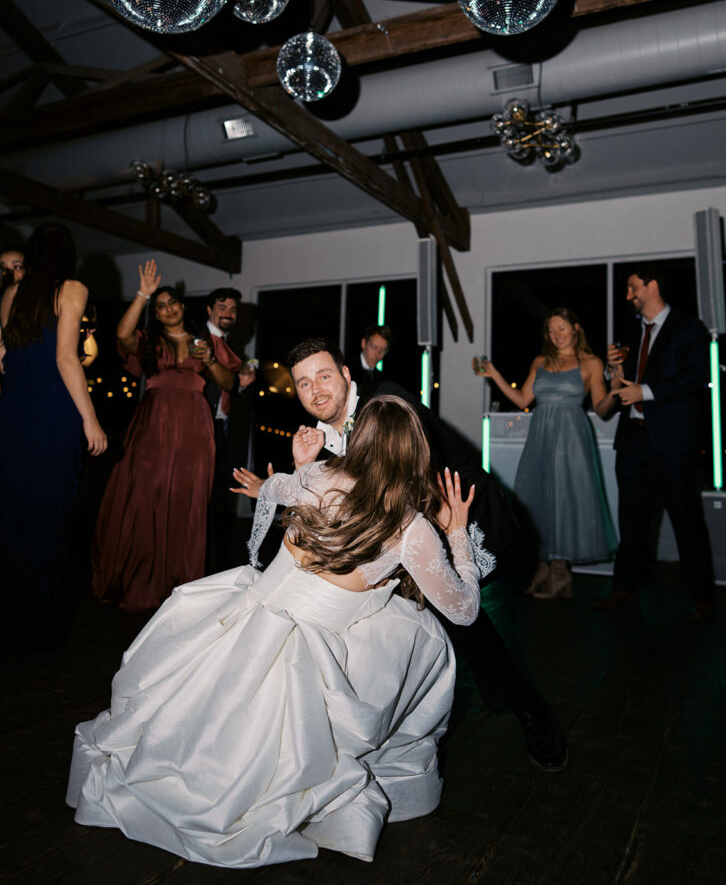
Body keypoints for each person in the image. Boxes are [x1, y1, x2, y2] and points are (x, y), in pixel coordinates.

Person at [68, 396, 480, 868]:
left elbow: (272, 491)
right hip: (303, 660)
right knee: (424, 634)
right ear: (417, 452)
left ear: (357, 439)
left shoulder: (316, 477)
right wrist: (457, 533)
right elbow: (464, 611)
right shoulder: (411, 529)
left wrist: (299, 465)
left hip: (243, 623)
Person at [237, 338, 568, 773]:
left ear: (346, 375)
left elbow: (411, 475)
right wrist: (287, 482)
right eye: (303, 383)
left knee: (465, 628)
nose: (316, 390)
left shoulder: (387, 402)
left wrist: (444, 535)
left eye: (324, 376)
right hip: (386, 539)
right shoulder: (322, 436)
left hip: (445, 516)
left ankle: (533, 714)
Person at [91, 260, 240, 611]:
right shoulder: (149, 342)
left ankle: (178, 581)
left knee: (185, 499)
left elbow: (229, 382)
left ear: (182, 307)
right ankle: (138, 578)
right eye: (160, 306)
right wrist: (142, 294)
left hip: (194, 426)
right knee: (145, 494)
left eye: (172, 302)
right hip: (154, 423)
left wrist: (211, 360)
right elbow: (122, 335)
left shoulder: (206, 342)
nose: (168, 308)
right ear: (155, 314)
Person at [0, 224, 106, 654]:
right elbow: (65, 358)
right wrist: (91, 420)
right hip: (51, 414)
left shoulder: (10, 294)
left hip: (12, 413)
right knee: (48, 516)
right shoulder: (71, 289)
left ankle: (10, 620)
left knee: (13, 515)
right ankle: (38, 629)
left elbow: (3, 360)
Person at [595, 267, 714, 621]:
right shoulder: (632, 332)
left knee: (686, 520)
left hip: (674, 442)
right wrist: (612, 372)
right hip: (633, 440)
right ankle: (623, 591)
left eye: (633, 287)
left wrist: (645, 392)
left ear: (653, 285)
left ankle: (703, 598)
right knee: (631, 521)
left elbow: (697, 377)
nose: (628, 295)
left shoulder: (688, 328)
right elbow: (621, 381)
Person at [474, 308, 617, 599]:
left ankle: (560, 571)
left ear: (575, 328)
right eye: (551, 330)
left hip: (572, 438)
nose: (556, 335)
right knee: (538, 498)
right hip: (541, 436)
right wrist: (494, 375)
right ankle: (541, 566)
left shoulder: (590, 362)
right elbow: (522, 399)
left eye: (561, 328)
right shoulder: (540, 361)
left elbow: (602, 409)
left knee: (565, 498)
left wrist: (614, 389)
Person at [204, 287, 256, 572]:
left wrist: (241, 385)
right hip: (199, 428)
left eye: (232, 310)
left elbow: (229, 389)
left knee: (216, 501)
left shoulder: (229, 347)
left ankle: (211, 563)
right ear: (209, 310)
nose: (228, 313)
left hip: (221, 429)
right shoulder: (200, 342)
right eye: (222, 307)